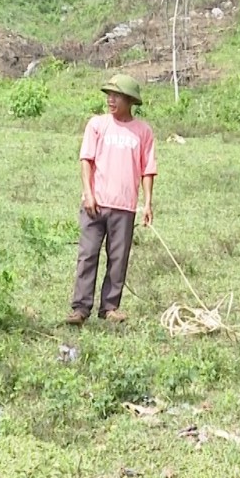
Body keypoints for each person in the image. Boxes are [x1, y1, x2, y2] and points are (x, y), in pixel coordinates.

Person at [67, 73, 156, 326]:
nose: (111, 100)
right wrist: (88, 193)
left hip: (125, 207)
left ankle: (110, 307)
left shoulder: (143, 131)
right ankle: (80, 308)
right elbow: (86, 161)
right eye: (109, 95)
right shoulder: (97, 124)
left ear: (130, 100)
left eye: (116, 96)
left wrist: (147, 203)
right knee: (87, 255)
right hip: (95, 204)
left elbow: (147, 169)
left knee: (118, 258)